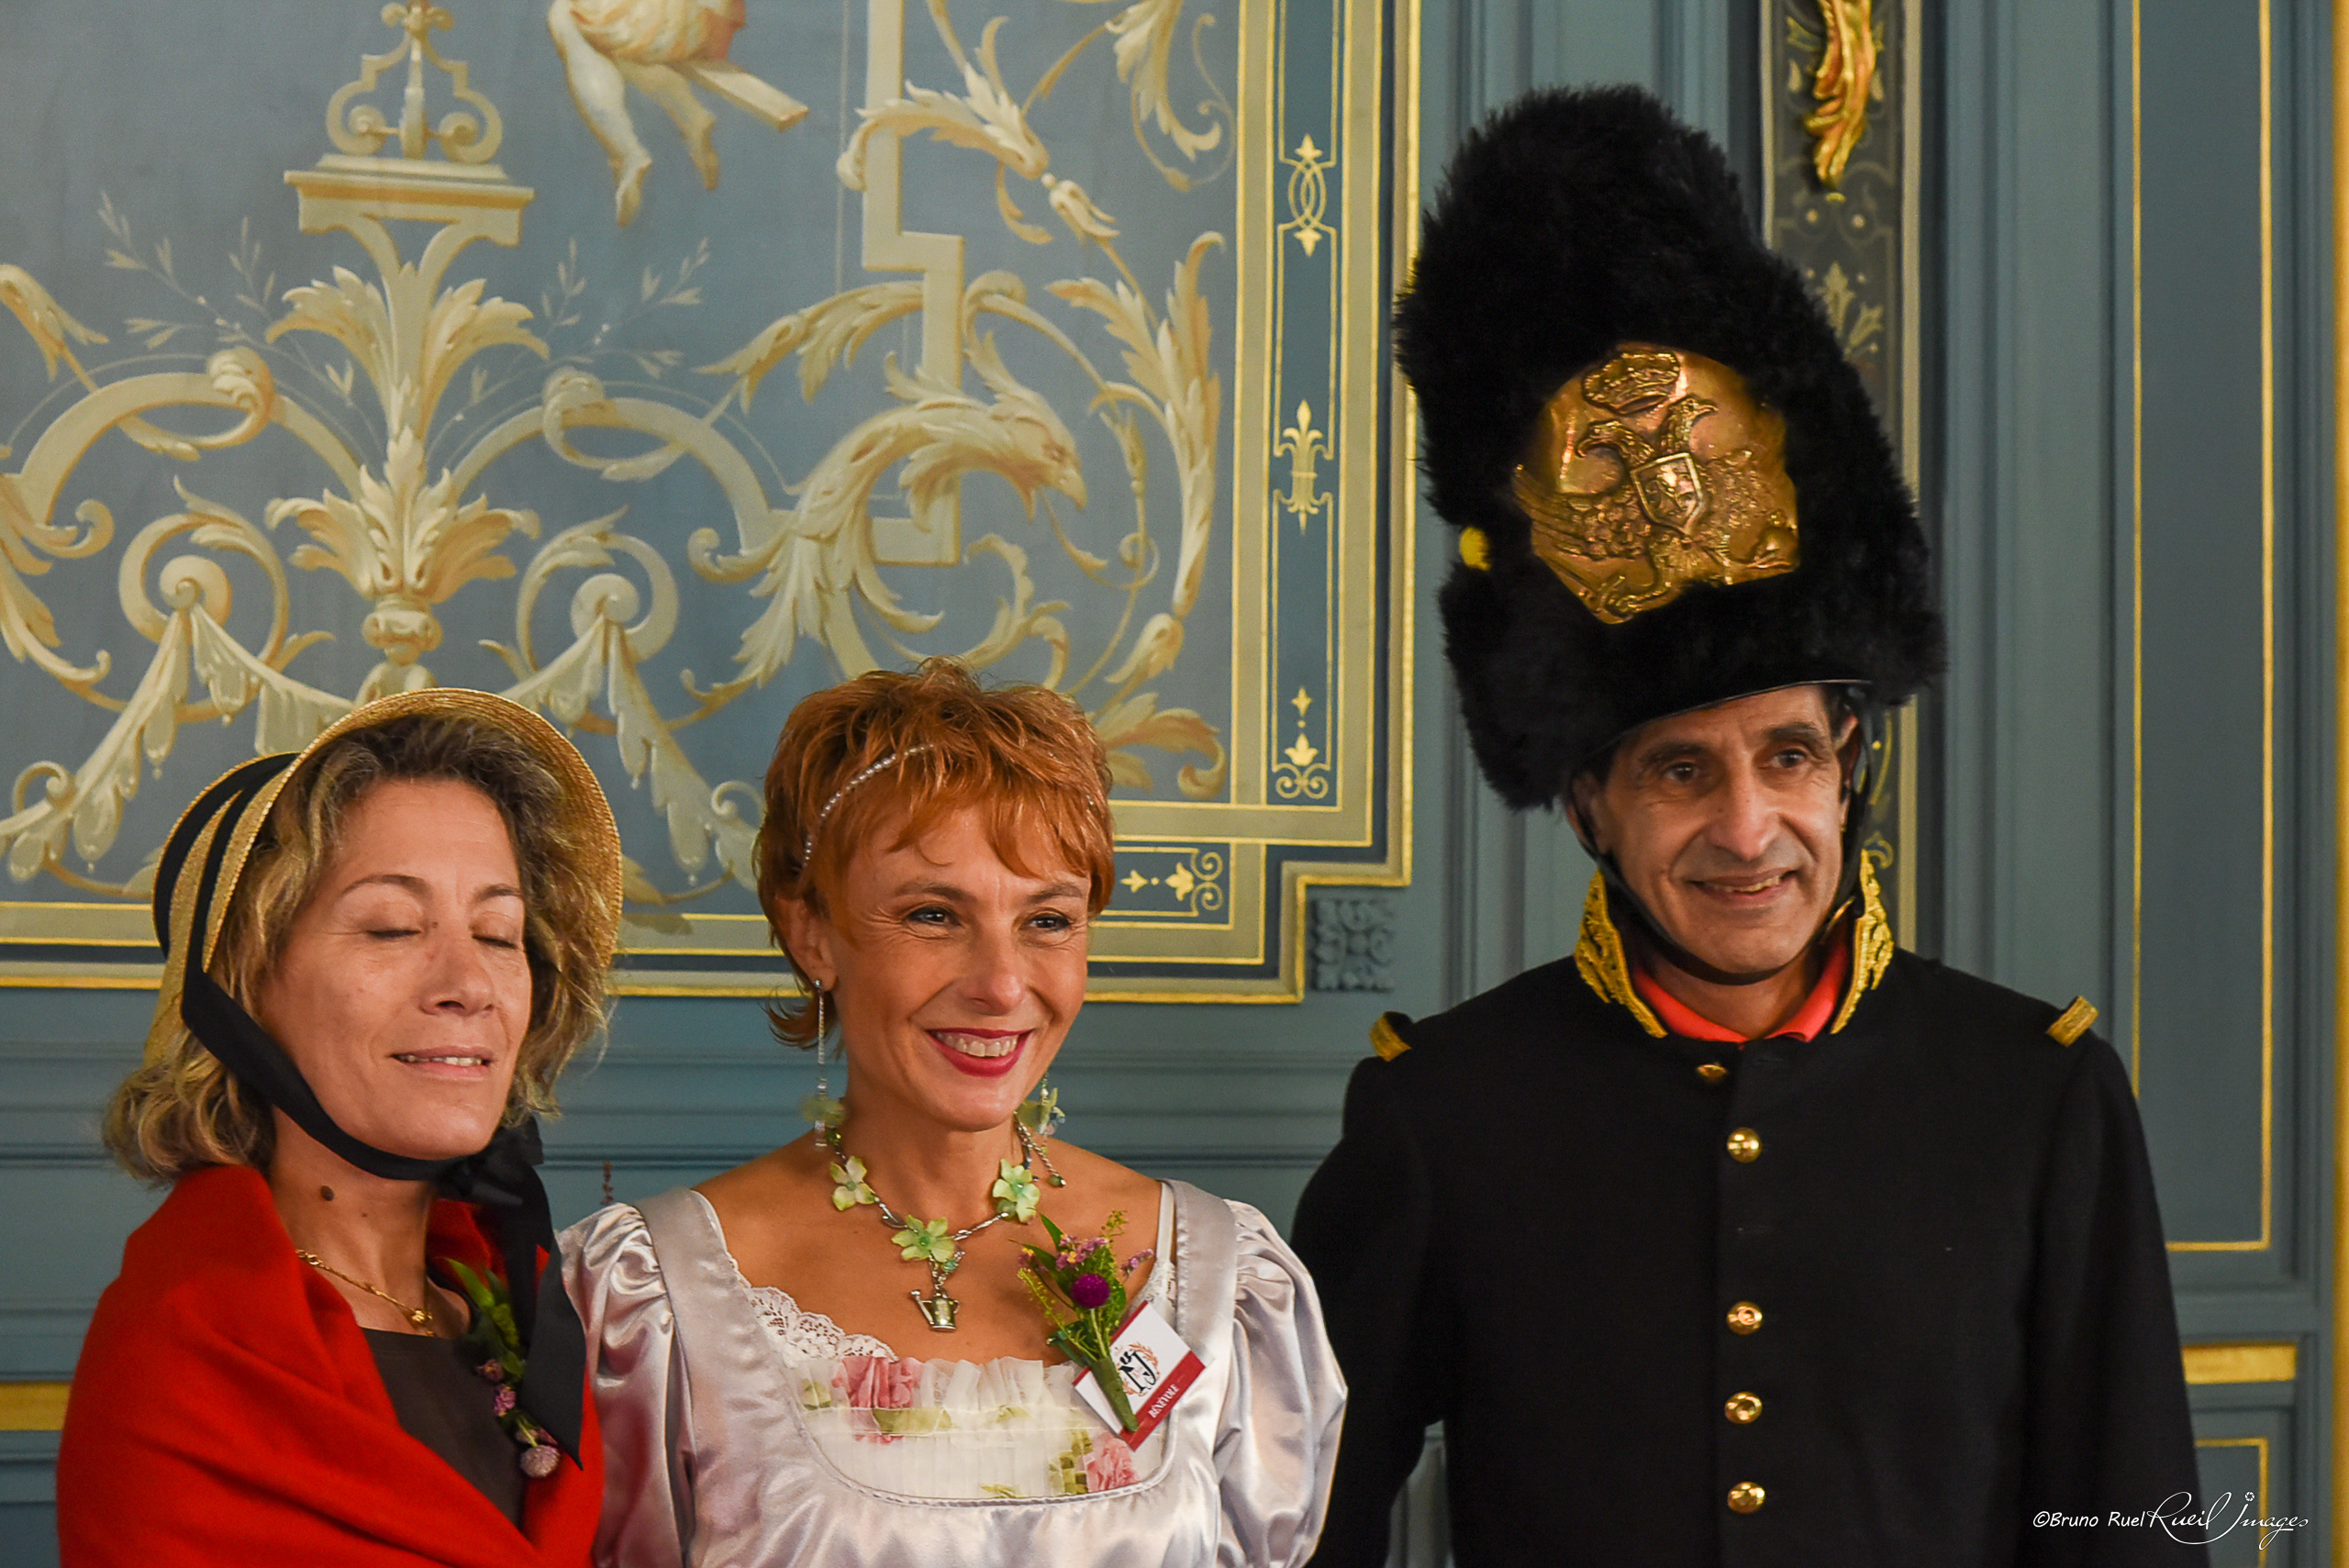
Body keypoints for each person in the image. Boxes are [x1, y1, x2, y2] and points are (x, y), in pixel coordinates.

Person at [1291, 87, 2207, 1567]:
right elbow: (1297, 1529)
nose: (1748, 825)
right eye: (1678, 769)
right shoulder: (1442, 1118)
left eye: (1788, 754)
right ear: (1587, 799)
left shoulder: (2042, 1103)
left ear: (1850, 767)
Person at [564, 658, 1343, 1565]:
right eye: (934, 915)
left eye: (1046, 920)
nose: (1002, 984)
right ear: (812, 931)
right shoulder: (660, 1300)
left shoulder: (1216, 1279)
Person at [58, 689, 625, 1567]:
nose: (469, 984)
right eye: (392, 927)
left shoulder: (523, 1310)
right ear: (246, 984)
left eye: (497, 932)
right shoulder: (182, 1354)